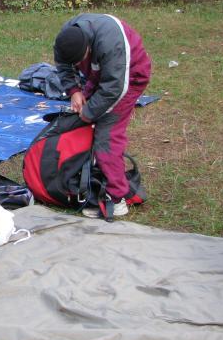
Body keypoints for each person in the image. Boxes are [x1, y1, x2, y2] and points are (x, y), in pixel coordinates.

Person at [53, 13, 152, 218]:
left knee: (106, 135)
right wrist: (74, 90)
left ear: (89, 47)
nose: (77, 65)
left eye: (80, 61)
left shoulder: (111, 42)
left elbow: (115, 88)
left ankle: (117, 198)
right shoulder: (66, 38)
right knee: (81, 120)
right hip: (100, 73)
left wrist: (90, 112)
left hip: (129, 78)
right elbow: (63, 66)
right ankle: (92, 174)